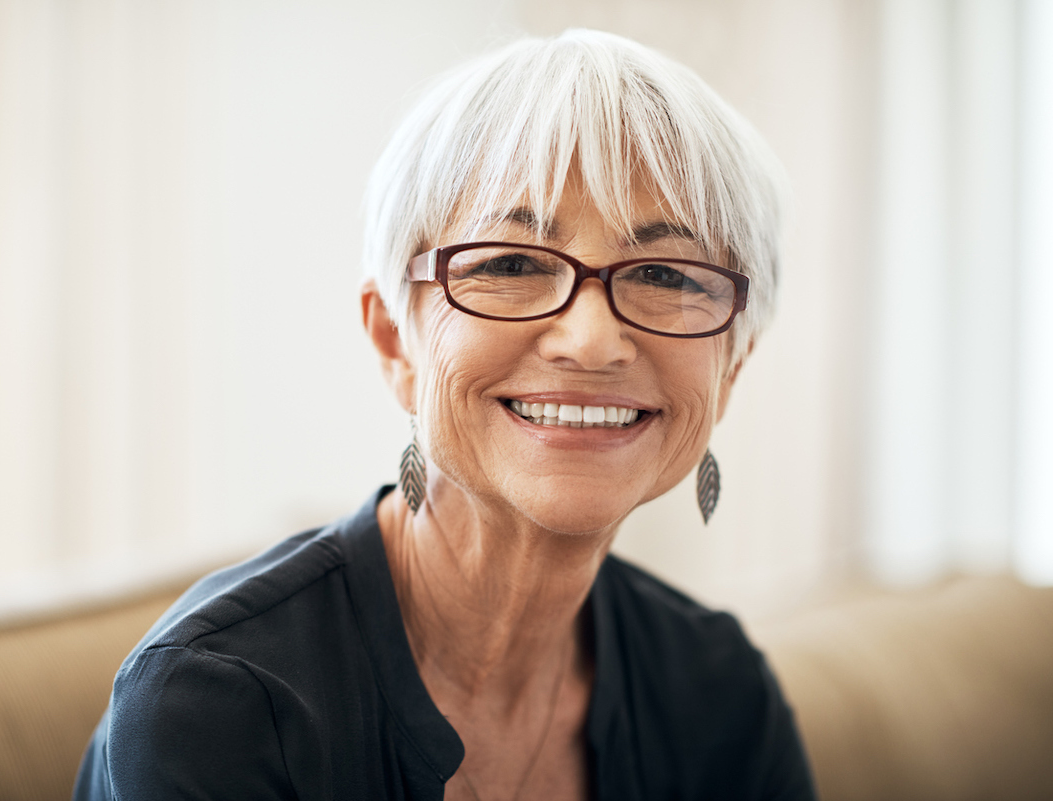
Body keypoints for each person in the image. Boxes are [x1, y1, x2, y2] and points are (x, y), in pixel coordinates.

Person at [75, 29, 816, 801]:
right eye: (512, 263)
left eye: (666, 272)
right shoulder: (219, 704)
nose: (593, 339)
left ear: (730, 367)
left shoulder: (724, 694)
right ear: (396, 339)